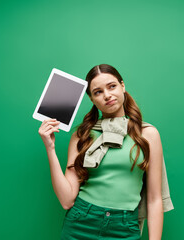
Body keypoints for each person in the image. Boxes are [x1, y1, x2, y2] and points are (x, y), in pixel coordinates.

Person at [38, 64, 165, 239]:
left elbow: (155, 199)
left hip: (124, 227)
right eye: (98, 92)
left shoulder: (148, 134)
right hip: (80, 223)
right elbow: (66, 200)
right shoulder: (81, 135)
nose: (107, 95)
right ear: (91, 99)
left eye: (112, 86)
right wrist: (50, 148)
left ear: (123, 86)